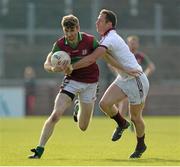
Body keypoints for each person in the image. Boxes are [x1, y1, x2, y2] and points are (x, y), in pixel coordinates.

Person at [67, 9, 149, 159]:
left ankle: (141, 144)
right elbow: (103, 56)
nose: (96, 22)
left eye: (100, 20)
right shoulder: (105, 39)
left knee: (136, 118)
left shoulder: (110, 38)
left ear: (109, 24)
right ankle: (122, 124)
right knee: (104, 104)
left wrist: (70, 67)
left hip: (137, 79)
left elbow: (92, 58)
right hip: (125, 78)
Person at [28, 14, 100, 159]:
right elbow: (47, 63)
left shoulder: (90, 40)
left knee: (83, 127)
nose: (69, 34)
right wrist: (53, 69)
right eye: (66, 31)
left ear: (78, 28)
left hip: (90, 83)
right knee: (55, 115)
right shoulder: (60, 44)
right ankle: (39, 149)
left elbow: (102, 53)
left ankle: (78, 104)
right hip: (71, 82)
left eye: (72, 30)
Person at [117, 35, 155, 119]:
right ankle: (121, 123)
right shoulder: (123, 55)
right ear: (127, 44)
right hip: (125, 82)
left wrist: (144, 75)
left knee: (137, 105)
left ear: (138, 45)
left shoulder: (140, 56)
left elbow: (151, 67)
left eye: (134, 43)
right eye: (130, 43)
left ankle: (133, 121)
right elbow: (112, 65)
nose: (132, 45)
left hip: (137, 83)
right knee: (124, 102)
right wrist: (119, 74)